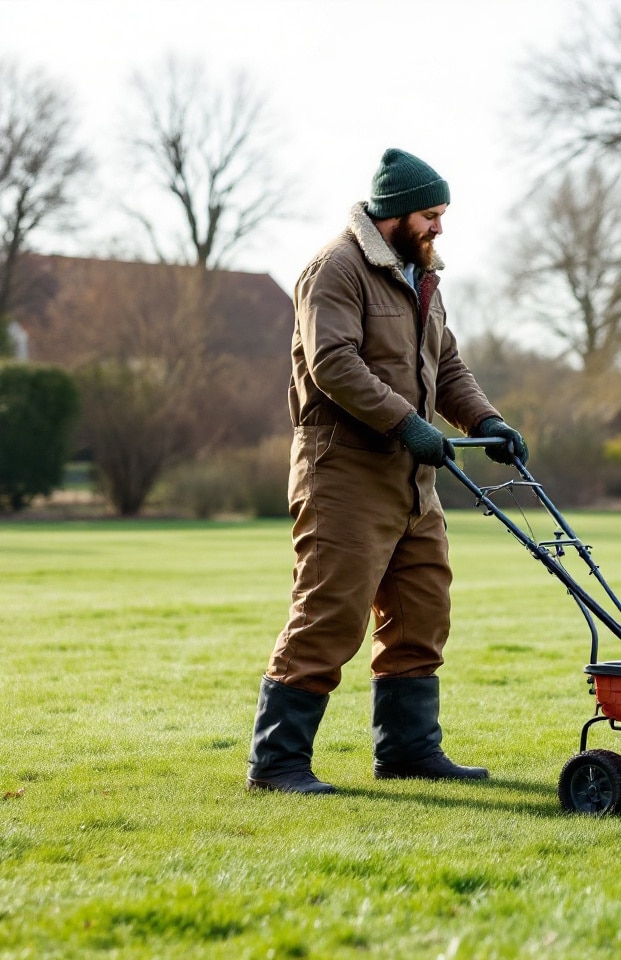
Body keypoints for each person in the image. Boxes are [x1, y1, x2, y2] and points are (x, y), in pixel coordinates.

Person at [246, 148, 527, 794]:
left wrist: (486, 423)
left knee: (422, 611)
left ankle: (408, 752)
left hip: (414, 481)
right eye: (431, 215)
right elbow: (334, 365)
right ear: (396, 213)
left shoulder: (421, 275)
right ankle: (278, 763)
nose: (439, 227)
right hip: (343, 472)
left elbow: (447, 366)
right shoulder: (336, 270)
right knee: (331, 614)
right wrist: (408, 423)